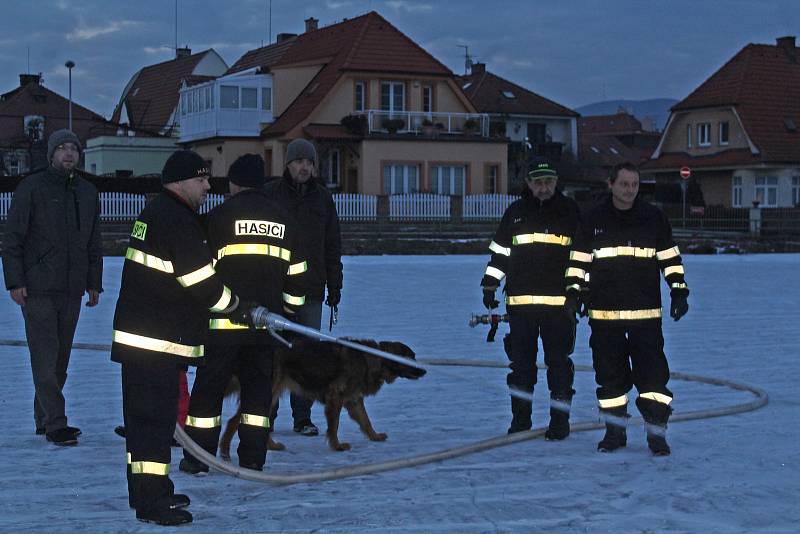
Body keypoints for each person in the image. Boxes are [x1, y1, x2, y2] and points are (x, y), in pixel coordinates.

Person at [110, 149, 255, 526]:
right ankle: (152, 503)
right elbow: (201, 284)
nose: (208, 187)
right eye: (202, 179)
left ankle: (150, 492)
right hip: (154, 344)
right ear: (179, 181)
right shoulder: (175, 220)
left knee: (147, 429)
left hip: (147, 342)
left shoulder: (161, 214)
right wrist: (239, 306)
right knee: (153, 429)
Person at [179, 154, 307, 475]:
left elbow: (199, 272)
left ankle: (198, 458)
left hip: (221, 325)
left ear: (234, 184)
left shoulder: (217, 218)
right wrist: (287, 316)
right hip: (265, 328)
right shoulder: (284, 219)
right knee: (258, 398)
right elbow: (298, 276)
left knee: (208, 394)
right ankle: (253, 458)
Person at [565, 162, 689, 456]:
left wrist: (679, 290)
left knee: (654, 381)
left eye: (634, 184)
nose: (629, 190)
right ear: (611, 184)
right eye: (624, 184)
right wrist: (574, 292)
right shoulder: (593, 218)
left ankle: (657, 435)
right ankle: (614, 433)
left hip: (645, 318)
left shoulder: (653, 218)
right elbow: (579, 260)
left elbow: (669, 258)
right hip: (605, 317)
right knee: (609, 378)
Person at [2, 129, 103, 446]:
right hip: (38, 288)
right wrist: (16, 282)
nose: (68, 154)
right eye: (61, 148)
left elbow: (94, 242)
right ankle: (57, 423)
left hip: (71, 289)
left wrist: (94, 283)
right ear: (51, 154)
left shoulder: (87, 192)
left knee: (59, 360)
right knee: (45, 359)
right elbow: (12, 240)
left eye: (73, 148)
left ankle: (43, 418)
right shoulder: (32, 188)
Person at [480, 160, 581, 439]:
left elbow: (583, 258)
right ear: (528, 183)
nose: (544, 187)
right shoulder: (515, 212)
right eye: (538, 182)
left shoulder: (570, 212)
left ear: (556, 181)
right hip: (521, 306)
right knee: (521, 367)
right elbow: (500, 253)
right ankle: (520, 421)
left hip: (559, 308)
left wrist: (578, 294)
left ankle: (559, 422)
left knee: (559, 365)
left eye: (548, 181)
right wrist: (490, 284)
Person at [263, 138, 343, 436]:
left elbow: (332, 245)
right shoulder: (270, 194)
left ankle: (302, 417)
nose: (304, 167)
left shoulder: (323, 199)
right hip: (274, 290)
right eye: (299, 161)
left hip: (311, 290)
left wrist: (335, 285)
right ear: (288, 164)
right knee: (274, 354)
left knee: (308, 356)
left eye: (309, 162)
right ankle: (266, 416)